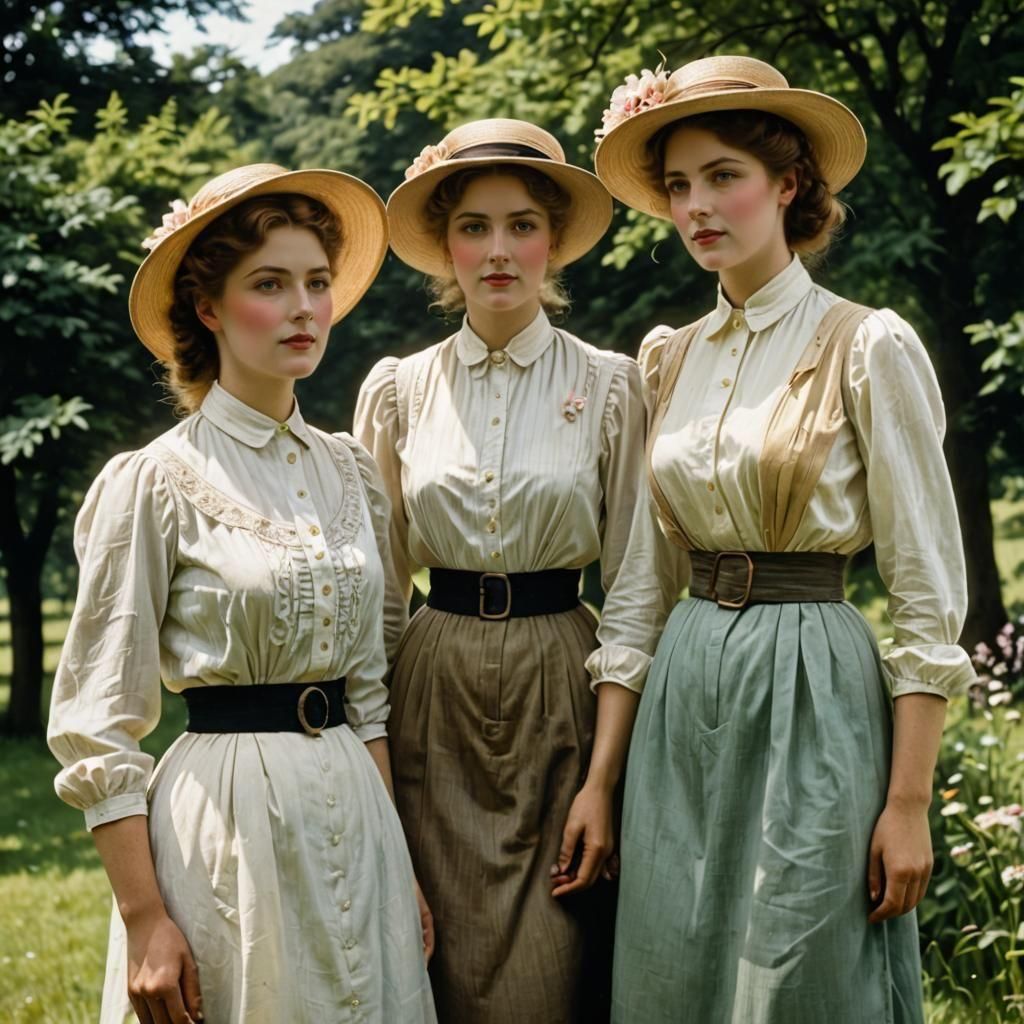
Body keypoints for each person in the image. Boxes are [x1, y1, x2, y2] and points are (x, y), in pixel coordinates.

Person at [591, 55, 975, 1022]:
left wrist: (909, 802)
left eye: (724, 176)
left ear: (789, 183)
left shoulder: (865, 342)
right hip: (683, 692)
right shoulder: (668, 357)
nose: (697, 207)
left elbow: (927, 590)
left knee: (801, 973)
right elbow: (641, 583)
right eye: (679, 185)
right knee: (670, 966)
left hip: (813, 687)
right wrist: (601, 781)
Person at [48, 163, 437, 1024]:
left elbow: (369, 691)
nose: (303, 307)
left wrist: (400, 865)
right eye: (270, 284)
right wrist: (146, 918)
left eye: (316, 283)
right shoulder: (154, 481)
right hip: (226, 823)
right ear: (209, 308)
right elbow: (96, 721)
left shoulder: (352, 473)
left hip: (357, 811)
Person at [354, 119, 650, 1023]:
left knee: (561, 956)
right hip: (433, 688)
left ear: (552, 239)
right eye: (474, 227)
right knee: (434, 942)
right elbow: (378, 593)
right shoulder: (398, 390)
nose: (498, 250)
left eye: (521, 224)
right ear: (445, 245)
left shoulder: (610, 384)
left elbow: (637, 585)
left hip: (565, 679)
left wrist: (602, 780)